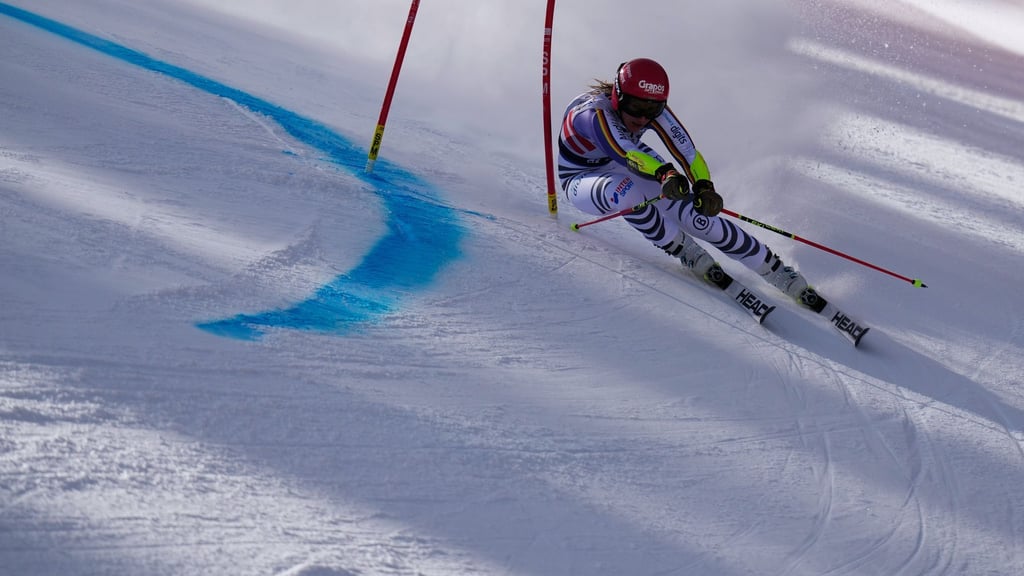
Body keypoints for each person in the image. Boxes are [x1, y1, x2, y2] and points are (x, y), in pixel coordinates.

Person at [559, 57, 809, 301]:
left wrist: (704, 186)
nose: (643, 118)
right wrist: (664, 173)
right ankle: (685, 250)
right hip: (583, 175)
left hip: (629, 162)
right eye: (636, 107)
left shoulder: (648, 108)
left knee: (696, 215)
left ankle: (772, 268)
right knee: (627, 192)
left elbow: (688, 153)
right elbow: (625, 151)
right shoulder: (592, 114)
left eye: (653, 110)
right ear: (618, 96)